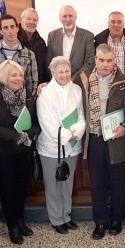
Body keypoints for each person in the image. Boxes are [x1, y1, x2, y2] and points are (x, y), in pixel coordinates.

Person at [0, 60, 40, 245]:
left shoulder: (28, 94)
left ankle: (20, 220)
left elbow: (36, 122)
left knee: (22, 186)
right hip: (4, 151)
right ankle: (12, 225)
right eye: (14, 75)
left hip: (24, 149)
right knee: (8, 188)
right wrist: (13, 136)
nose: (18, 78)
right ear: (4, 77)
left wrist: (28, 134)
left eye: (20, 75)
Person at [75, 44, 125, 240]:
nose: (105, 64)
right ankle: (100, 222)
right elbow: (65, 89)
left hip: (117, 139)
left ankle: (116, 220)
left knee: (118, 182)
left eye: (109, 60)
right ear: (95, 60)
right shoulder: (82, 79)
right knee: (97, 183)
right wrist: (44, 86)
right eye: (101, 60)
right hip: (95, 139)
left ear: (114, 60)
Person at [37, 57, 86, 234]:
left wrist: (77, 132)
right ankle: (56, 219)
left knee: (67, 184)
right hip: (51, 148)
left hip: (73, 146)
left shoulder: (77, 89)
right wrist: (67, 135)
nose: (64, 75)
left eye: (67, 71)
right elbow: (47, 123)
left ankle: (66, 216)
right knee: (53, 185)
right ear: (53, 73)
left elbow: (81, 115)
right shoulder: (45, 93)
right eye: (60, 72)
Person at [0, 14, 39, 96]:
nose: (10, 31)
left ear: (17, 28)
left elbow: (33, 84)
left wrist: (28, 101)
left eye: (12, 27)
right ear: (0, 31)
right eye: (5, 28)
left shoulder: (29, 54)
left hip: (22, 101)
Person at [46, 5, 95, 78]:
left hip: (79, 82)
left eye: (70, 16)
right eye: (64, 16)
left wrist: (72, 79)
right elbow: (49, 61)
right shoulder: (52, 36)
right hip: (57, 82)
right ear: (60, 18)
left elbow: (89, 63)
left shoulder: (88, 36)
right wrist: (58, 78)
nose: (68, 19)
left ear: (75, 17)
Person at [19, 8, 49, 83]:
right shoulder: (14, 39)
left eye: (35, 20)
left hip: (38, 87)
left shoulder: (41, 42)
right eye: (29, 19)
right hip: (19, 87)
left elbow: (44, 67)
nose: (32, 22)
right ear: (22, 20)